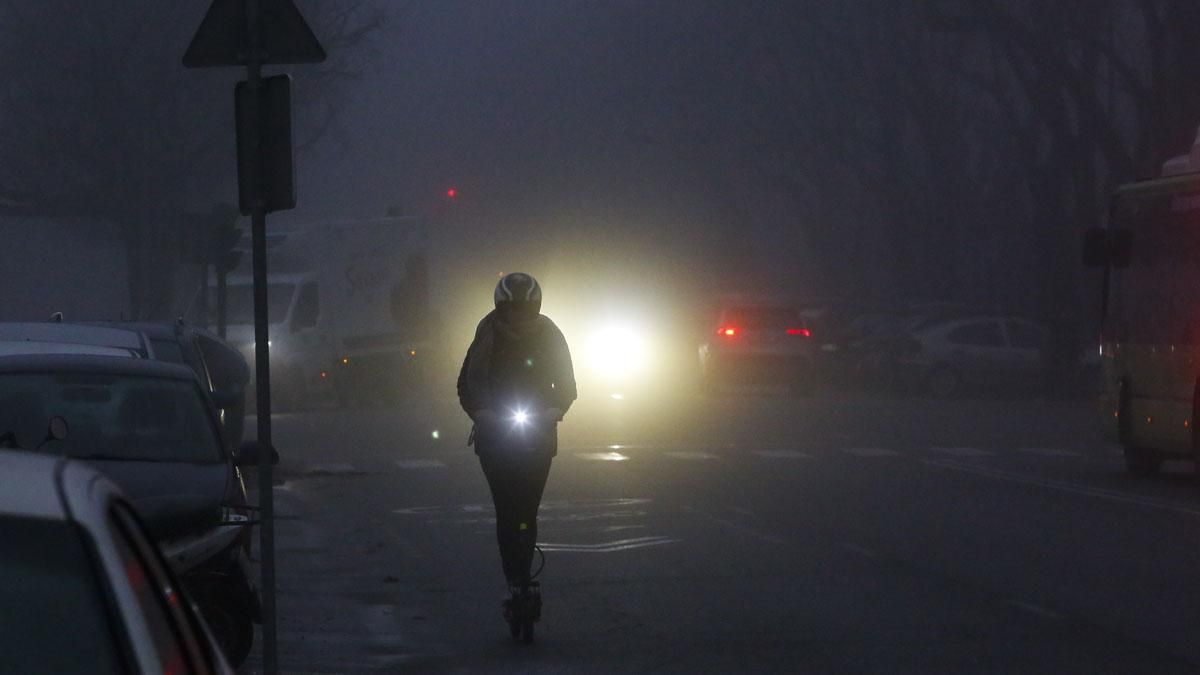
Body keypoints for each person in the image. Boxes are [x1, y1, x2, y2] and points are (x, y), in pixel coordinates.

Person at [457, 272, 576, 624]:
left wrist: (556, 408)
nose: (519, 317)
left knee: (528, 508)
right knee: (507, 509)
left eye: (525, 309)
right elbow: (466, 383)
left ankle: (525, 576)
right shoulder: (486, 333)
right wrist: (482, 412)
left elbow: (567, 383)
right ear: (500, 308)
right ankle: (514, 578)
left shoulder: (550, 334)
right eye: (512, 310)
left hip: (538, 431)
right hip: (495, 435)